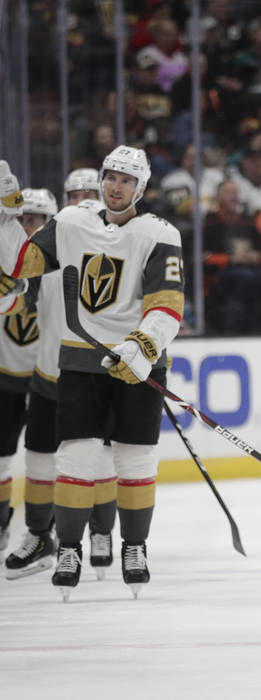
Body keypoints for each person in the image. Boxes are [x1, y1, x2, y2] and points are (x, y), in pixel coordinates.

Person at [0, 146, 185, 600]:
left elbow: (168, 304)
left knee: (136, 461)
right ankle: (69, 549)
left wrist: (143, 345)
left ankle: (134, 546)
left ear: (140, 188)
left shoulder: (160, 233)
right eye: (110, 177)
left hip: (138, 363)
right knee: (76, 460)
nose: (115, 185)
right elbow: (19, 266)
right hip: (80, 359)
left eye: (126, 179)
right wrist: (6, 218)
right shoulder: (70, 221)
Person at [5, 175, 120, 581]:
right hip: (47, 377)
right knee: (38, 459)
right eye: (76, 196)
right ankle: (40, 536)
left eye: (90, 196)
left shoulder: (114, 253)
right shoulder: (47, 255)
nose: (83, 203)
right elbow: (13, 292)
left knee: (99, 460)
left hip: (93, 377)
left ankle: (102, 530)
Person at [0, 189, 48, 562]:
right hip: (6, 377)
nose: (28, 225)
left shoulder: (62, 264)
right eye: (22, 218)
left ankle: (49, 530)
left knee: (50, 459)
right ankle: (2, 523)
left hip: (49, 380)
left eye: (36, 219)